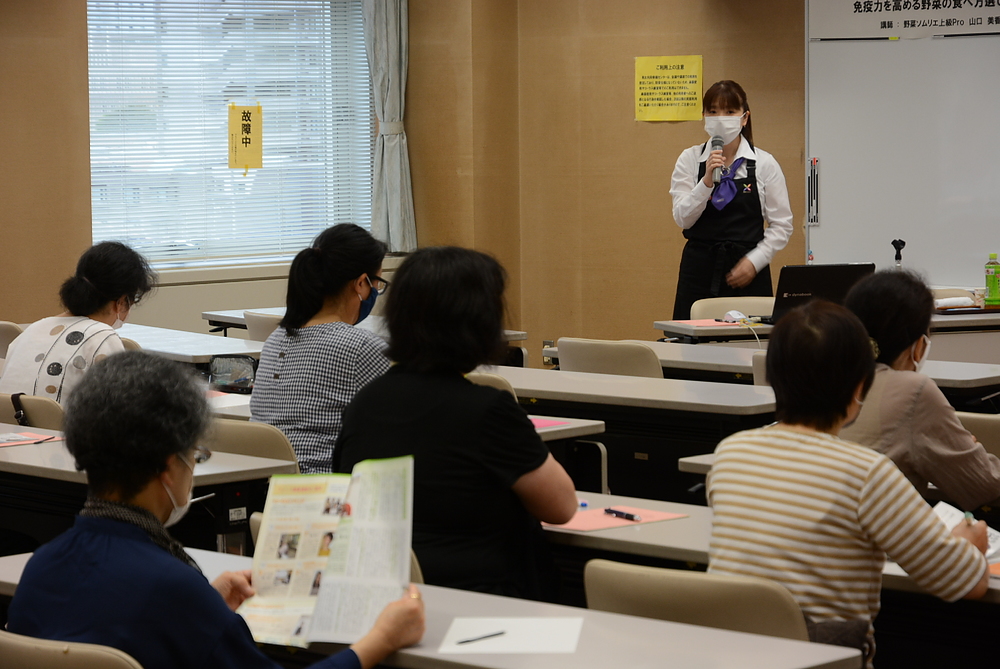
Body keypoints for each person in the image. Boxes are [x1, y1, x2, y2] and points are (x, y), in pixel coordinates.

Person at [7, 351, 424, 669]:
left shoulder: (42, 566)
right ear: (170, 466)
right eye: (196, 454)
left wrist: (208, 610)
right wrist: (377, 642)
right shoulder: (172, 588)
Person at [706, 301, 988, 664]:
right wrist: (970, 544)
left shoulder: (730, 452)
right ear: (859, 389)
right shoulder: (867, 472)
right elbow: (964, 582)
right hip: (824, 657)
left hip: (730, 653)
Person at [334, 247, 577, 601]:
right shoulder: (488, 410)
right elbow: (562, 507)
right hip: (483, 604)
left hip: (383, 600)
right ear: (480, 322)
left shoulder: (364, 403)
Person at [840, 270, 1000, 510]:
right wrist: (970, 450)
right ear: (918, 346)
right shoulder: (913, 391)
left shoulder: (827, 379)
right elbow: (984, 487)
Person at [250, 224, 391, 473]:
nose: (375, 293)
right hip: (329, 495)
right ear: (360, 284)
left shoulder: (276, 338)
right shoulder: (361, 347)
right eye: (376, 284)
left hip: (271, 493)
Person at [669, 80, 793, 319]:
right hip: (700, 270)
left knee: (747, 346)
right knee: (693, 346)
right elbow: (683, 219)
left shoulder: (765, 163)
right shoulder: (690, 159)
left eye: (729, 112)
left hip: (747, 270)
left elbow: (782, 225)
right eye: (713, 111)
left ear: (744, 118)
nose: (720, 118)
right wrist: (705, 182)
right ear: (704, 116)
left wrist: (754, 261)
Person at [0, 241, 155, 403]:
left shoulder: (33, 330)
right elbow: (120, 409)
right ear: (122, 301)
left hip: (10, 428)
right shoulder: (101, 337)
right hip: (67, 428)